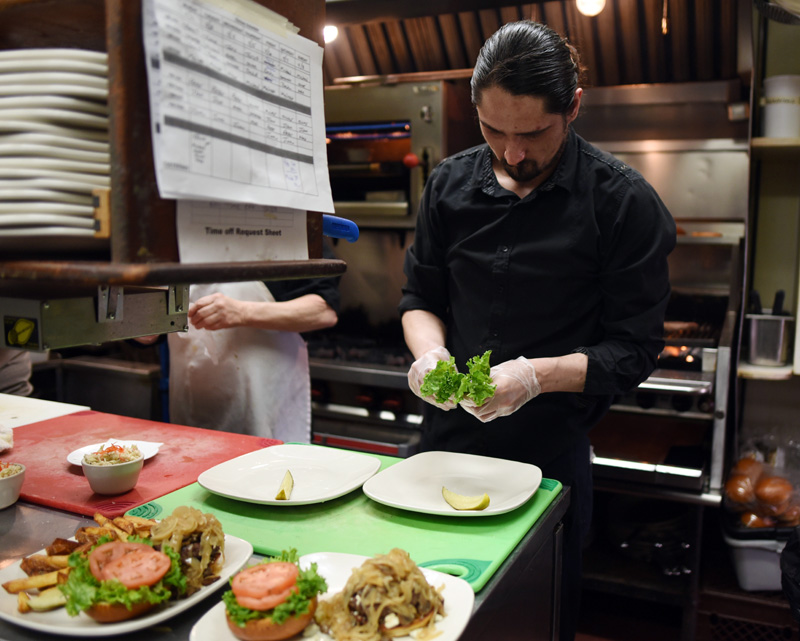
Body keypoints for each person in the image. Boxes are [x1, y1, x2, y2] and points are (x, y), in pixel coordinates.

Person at [398, 20, 676, 641]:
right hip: (440, 449)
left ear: (573, 107)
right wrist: (430, 352)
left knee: (530, 622)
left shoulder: (623, 203)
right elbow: (420, 297)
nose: (512, 152)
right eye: (492, 130)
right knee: (422, 620)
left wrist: (534, 376)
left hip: (547, 467)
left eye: (532, 133)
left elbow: (634, 350)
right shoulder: (447, 185)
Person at [156, 244, 340, 443]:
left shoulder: (287, 226)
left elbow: (323, 310)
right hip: (191, 405)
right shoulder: (169, 233)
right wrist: (143, 327)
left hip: (267, 408)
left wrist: (241, 312)